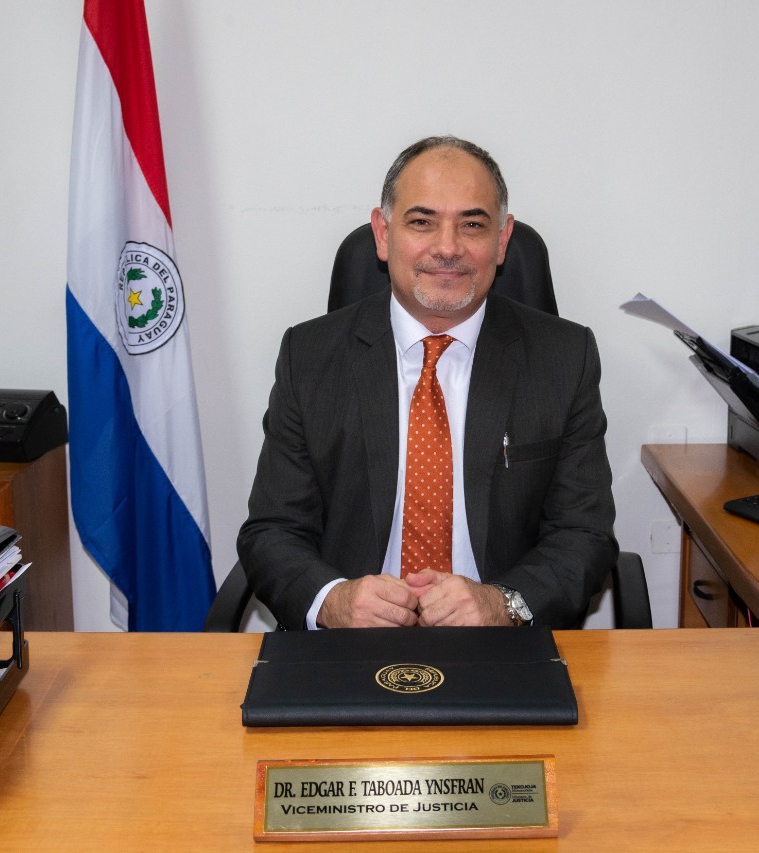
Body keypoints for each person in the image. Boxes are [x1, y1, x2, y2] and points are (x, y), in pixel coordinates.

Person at [237, 136, 617, 630]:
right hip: (350, 649)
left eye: (472, 224)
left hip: (503, 649)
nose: (447, 247)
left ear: (502, 240)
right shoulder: (308, 358)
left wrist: (502, 604)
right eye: (421, 222)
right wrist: (333, 601)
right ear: (382, 233)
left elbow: (584, 534)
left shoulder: (565, 359)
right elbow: (272, 532)